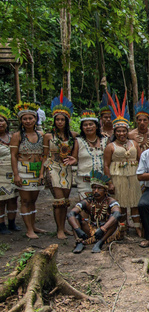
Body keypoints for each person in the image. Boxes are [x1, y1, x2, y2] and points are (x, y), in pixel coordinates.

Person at [103, 91, 142, 236]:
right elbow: (106, 165)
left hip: (133, 177)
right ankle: (122, 228)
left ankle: (137, 227)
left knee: (135, 203)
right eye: (118, 131)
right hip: (117, 177)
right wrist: (109, 183)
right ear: (115, 131)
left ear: (127, 131)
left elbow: (141, 159)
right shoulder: (110, 146)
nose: (121, 133)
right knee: (122, 205)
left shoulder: (134, 143)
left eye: (123, 130)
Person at [41, 90, 78, 239]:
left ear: (67, 120)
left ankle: (64, 227)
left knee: (65, 201)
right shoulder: (48, 136)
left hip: (67, 169)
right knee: (58, 200)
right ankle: (59, 230)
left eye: (62, 120)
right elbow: (44, 156)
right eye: (58, 119)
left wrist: (74, 159)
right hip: (53, 168)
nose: (60, 122)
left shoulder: (73, 135)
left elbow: (75, 153)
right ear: (54, 120)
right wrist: (40, 174)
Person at [10, 102, 46, 239]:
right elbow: (13, 156)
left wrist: (42, 172)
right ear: (21, 120)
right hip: (23, 170)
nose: (28, 121)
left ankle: (33, 225)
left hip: (37, 171)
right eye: (25, 119)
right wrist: (16, 175)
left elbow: (44, 155)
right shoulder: (17, 135)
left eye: (30, 118)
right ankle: (29, 229)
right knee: (25, 200)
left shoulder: (42, 135)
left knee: (33, 200)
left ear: (35, 119)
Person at [67, 170, 122, 253]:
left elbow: (117, 213)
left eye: (99, 188)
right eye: (94, 188)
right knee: (76, 217)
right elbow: (71, 213)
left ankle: (100, 243)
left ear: (105, 191)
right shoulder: (88, 201)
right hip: (91, 230)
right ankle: (79, 241)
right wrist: (77, 229)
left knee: (114, 219)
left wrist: (103, 228)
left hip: (106, 232)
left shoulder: (111, 201)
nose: (96, 191)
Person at [73, 110, 108, 200]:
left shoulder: (105, 140)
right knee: (86, 206)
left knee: (101, 206)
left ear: (96, 126)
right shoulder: (78, 141)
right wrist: (73, 160)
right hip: (85, 180)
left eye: (91, 124)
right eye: (85, 125)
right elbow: (75, 158)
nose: (88, 127)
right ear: (82, 128)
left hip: (102, 179)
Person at [0, 106, 20, 234]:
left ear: (6, 123)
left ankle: (12, 223)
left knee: (13, 198)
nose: (0, 123)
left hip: (14, 171)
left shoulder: (13, 136)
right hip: (0, 173)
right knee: (1, 200)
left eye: (1, 120)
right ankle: (1, 225)